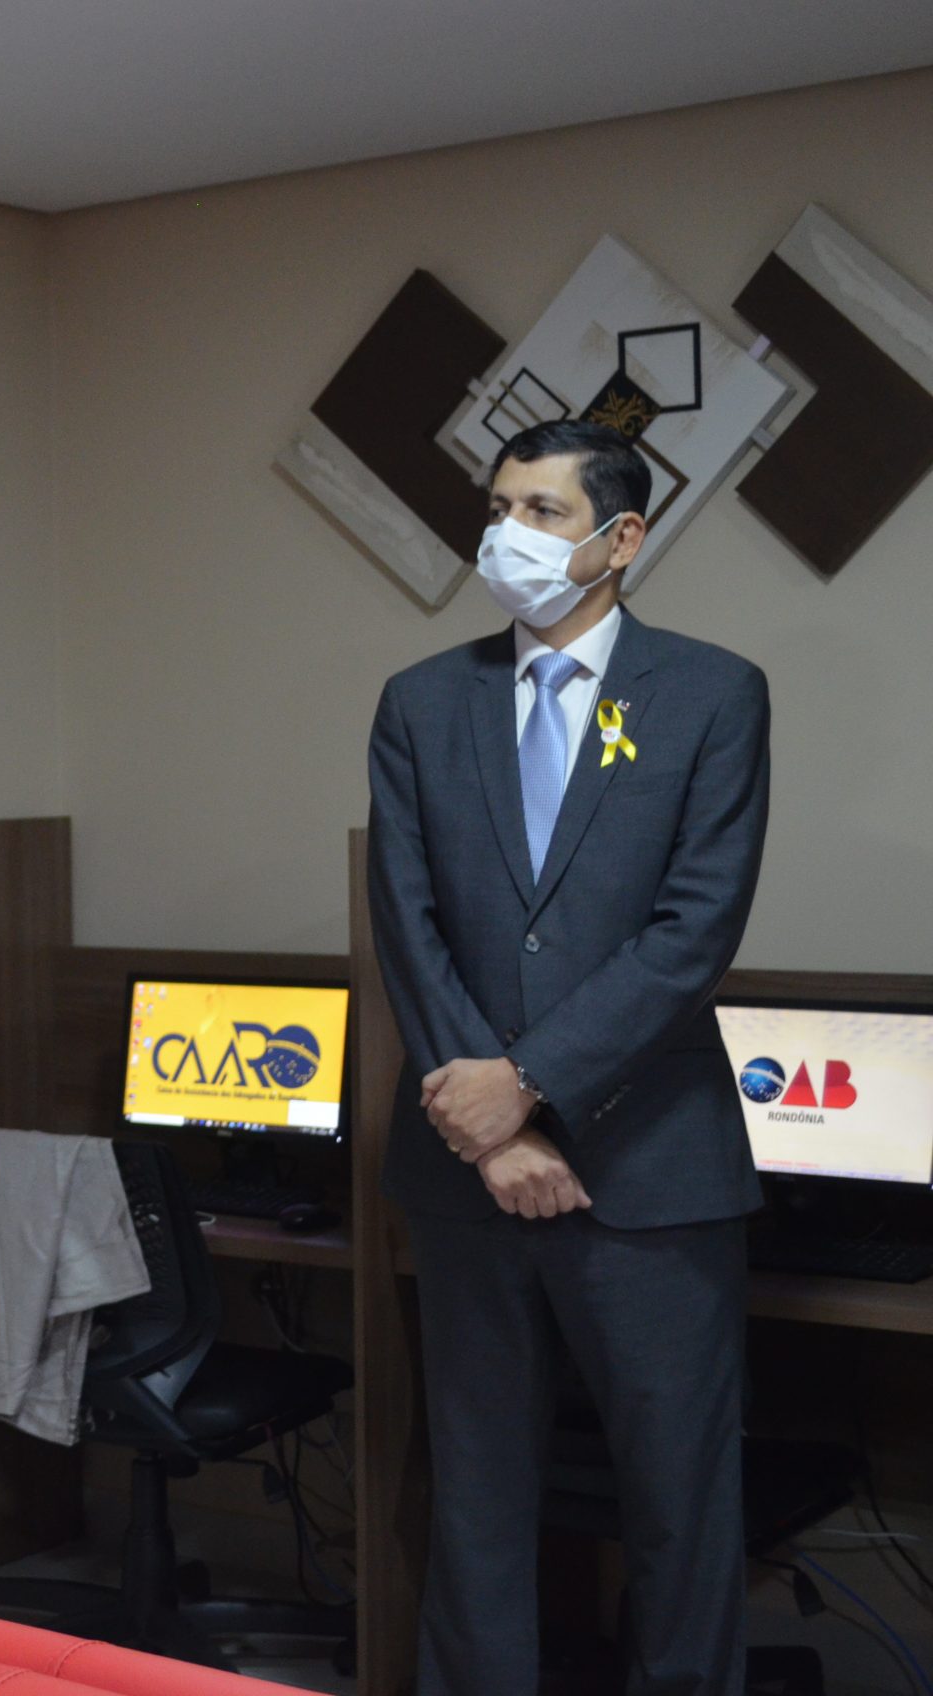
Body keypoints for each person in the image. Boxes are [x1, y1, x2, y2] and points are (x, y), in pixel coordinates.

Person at [367, 419, 771, 1696]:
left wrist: (526, 1084)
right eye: (498, 507)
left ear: (621, 536)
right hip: (466, 1174)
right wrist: (486, 1123)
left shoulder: (711, 693)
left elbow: (692, 929)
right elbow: (406, 921)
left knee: (678, 1503)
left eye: (541, 511)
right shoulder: (422, 701)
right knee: (475, 1496)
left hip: (651, 1170)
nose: (509, 534)